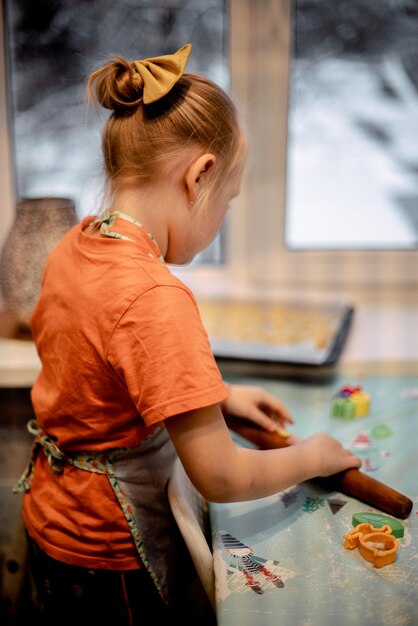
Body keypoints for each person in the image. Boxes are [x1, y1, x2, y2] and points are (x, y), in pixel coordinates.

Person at [15, 43, 361, 626]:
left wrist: (218, 396)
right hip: (112, 562)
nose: (220, 217)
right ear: (199, 175)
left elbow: (105, 373)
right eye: (226, 202)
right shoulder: (156, 297)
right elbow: (222, 477)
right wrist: (312, 457)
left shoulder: (75, 245)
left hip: (50, 525)